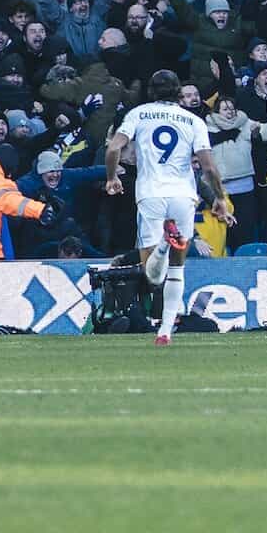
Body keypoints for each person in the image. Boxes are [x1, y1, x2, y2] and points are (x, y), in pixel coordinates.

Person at [104, 70, 233, 345]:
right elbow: (208, 166)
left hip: (150, 194)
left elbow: (114, 148)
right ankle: (165, 331)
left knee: (153, 274)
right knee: (177, 270)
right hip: (183, 196)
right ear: (178, 93)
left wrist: (112, 177)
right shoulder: (193, 120)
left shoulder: (139, 114)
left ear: (151, 91)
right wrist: (220, 198)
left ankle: (164, 242)